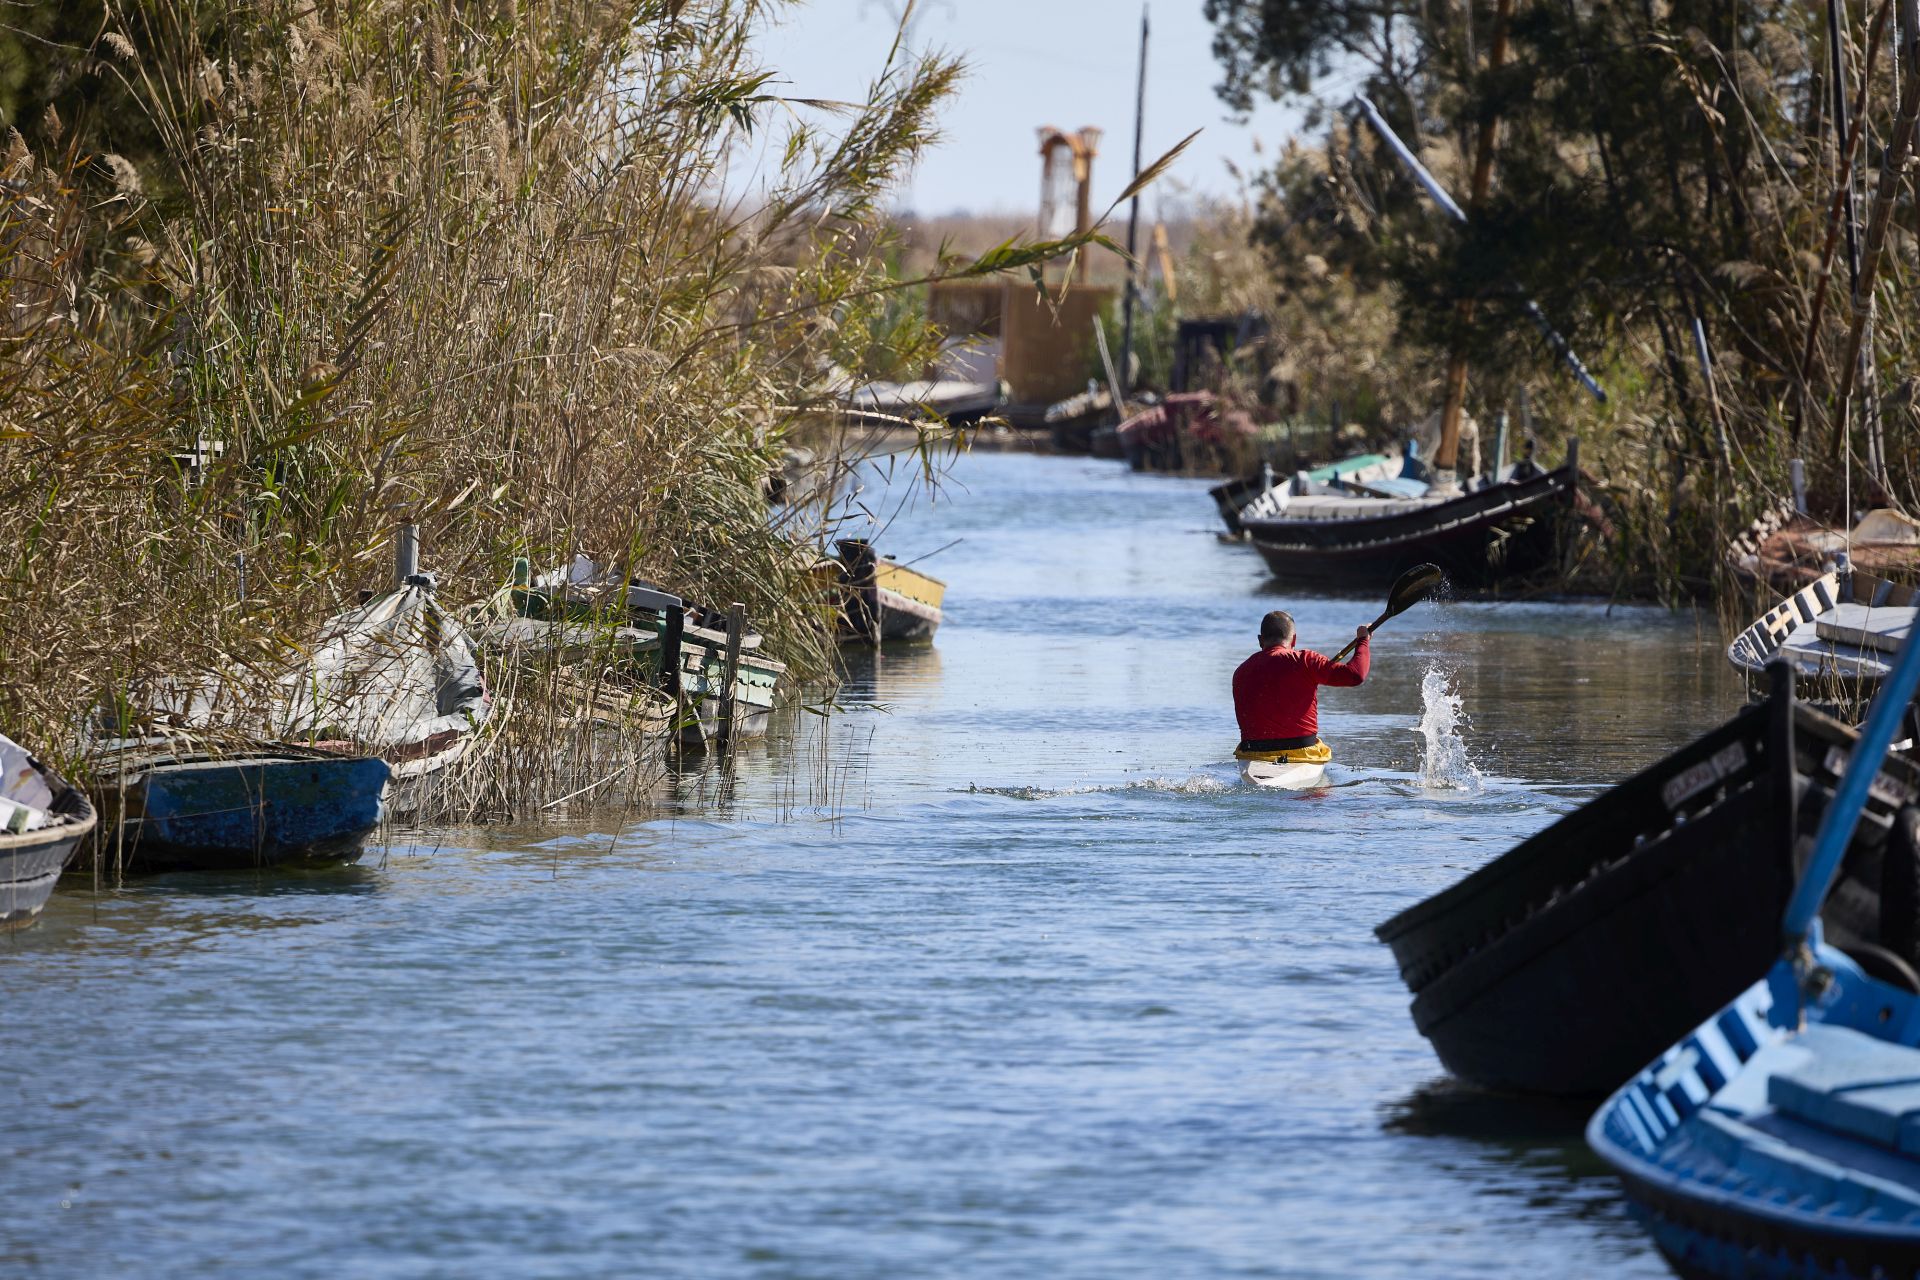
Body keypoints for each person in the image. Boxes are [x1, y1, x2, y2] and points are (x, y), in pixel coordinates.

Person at [1232, 610, 1370, 758]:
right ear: (1294, 639)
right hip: (1300, 752)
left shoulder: (1241, 671)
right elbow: (1355, 675)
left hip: (1252, 753)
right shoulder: (1304, 661)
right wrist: (1363, 641)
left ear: (1260, 640)